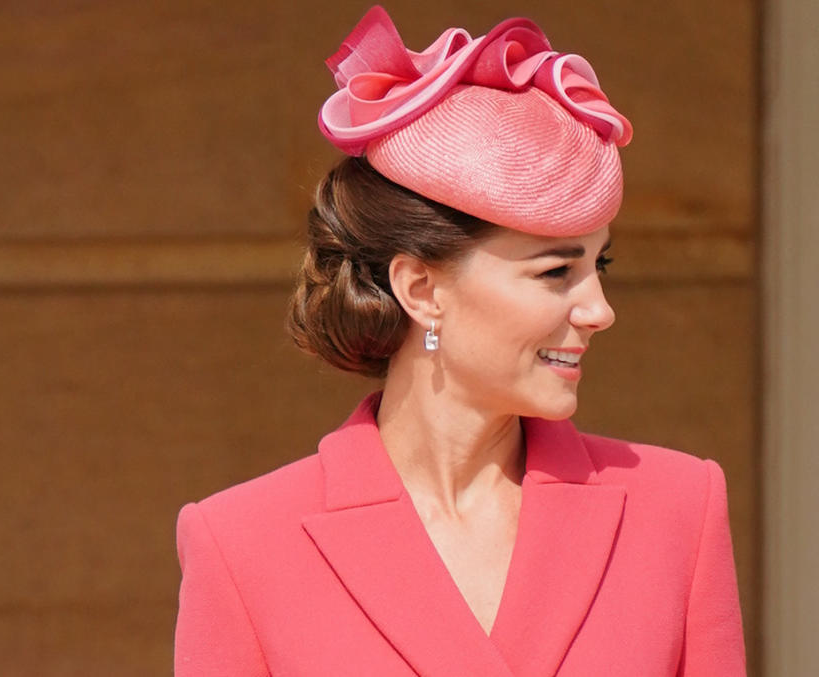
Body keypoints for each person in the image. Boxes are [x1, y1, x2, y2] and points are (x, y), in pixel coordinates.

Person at [174, 6, 746, 676]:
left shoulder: (678, 510)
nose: (599, 309)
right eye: (556, 271)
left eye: (600, 266)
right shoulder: (242, 545)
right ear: (421, 288)